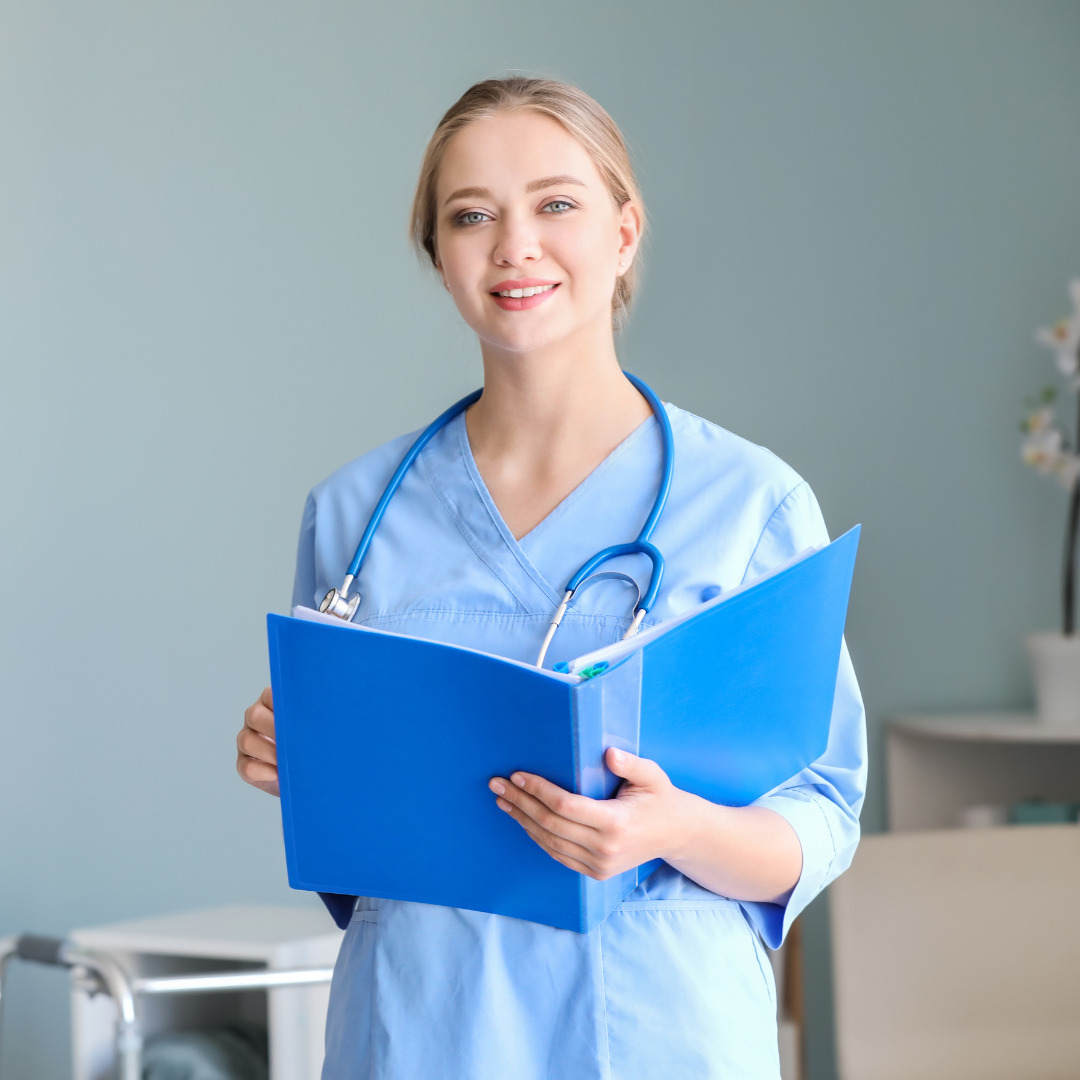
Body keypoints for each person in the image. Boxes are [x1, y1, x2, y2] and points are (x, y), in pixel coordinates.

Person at [236, 75, 867, 1079]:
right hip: (416, 1028)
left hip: (655, 1031)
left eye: (555, 204)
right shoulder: (356, 512)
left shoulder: (751, 504)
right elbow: (360, 851)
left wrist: (673, 828)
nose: (514, 245)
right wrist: (303, 765)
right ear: (438, 256)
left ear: (623, 233)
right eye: (471, 215)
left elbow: (823, 813)